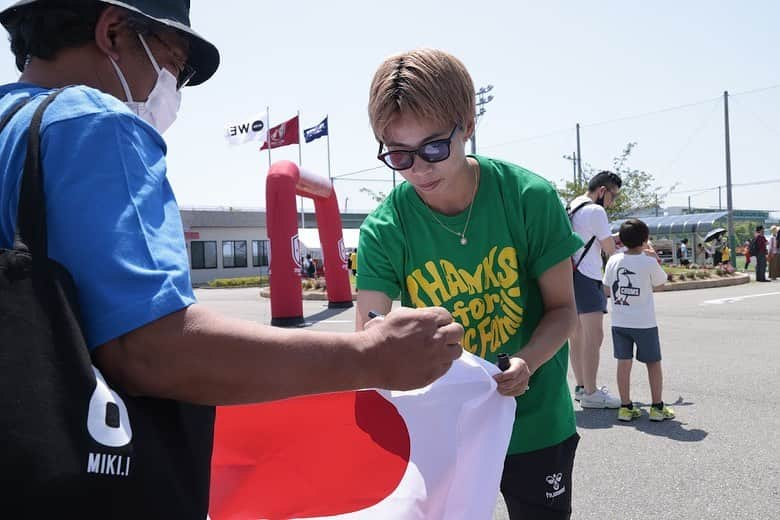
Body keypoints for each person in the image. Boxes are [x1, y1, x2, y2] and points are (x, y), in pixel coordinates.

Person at [0, 0, 464, 500]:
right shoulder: (96, 124)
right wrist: (369, 355)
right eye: (175, 67)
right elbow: (153, 349)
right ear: (112, 32)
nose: (173, 90)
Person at [356, 48, 583, 520]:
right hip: (443, 424)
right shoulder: (386, 226)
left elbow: (564, 310)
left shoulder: (528, 198)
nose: (418, 169)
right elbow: (368, 335)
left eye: (433, 148)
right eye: (398, 155)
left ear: (469, 124)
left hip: (535, 419)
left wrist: (527, 362)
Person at [603, 219, 675, 422]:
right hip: (644, 323)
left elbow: (607, 288)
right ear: (645, 240)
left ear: (621, 240)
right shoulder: (648, 261)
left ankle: (625, 407)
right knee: (653, 362)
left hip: (619, 321)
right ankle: (657, 407)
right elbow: (660, 284)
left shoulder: (614, 260)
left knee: (623, 362)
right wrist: (652, 257)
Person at [568, 171, 623, 409]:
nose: (612, 202)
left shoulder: (574, 205)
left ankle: (582, 387)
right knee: (594, 336)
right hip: (588, 276)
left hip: (570, 274)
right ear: (602, 191)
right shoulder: (596, 210)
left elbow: (593, 237)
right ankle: (591, 392)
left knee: (576, 336)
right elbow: (609, 248)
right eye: (613, 196)